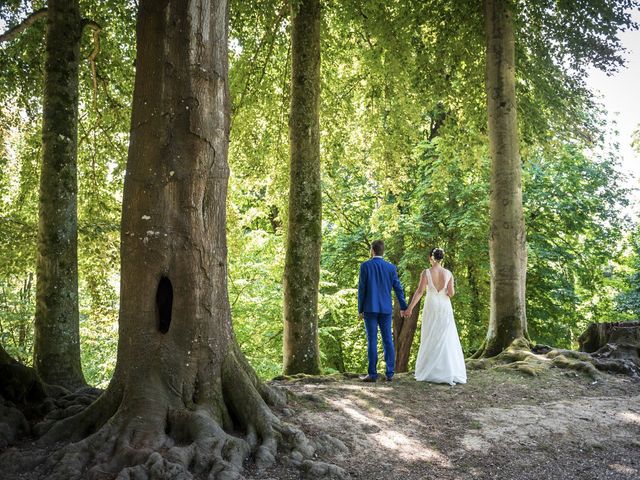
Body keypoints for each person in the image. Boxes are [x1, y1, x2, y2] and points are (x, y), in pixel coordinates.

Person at [405, 247, 467, 385]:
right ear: (441, 258)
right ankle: (447, 370)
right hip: (444, 306)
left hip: (432, 305)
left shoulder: (426, 273)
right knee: (446, 336)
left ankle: (431, 370)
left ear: (430, 258)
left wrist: (410, 308)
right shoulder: (448, 273)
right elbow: (451, 294)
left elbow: (420, 292)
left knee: (430, 335)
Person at [358, 240, 407, 382]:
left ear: (372, 250)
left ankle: (372, 374)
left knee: (372, 340)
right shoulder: (391, 268)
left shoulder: (365, 266)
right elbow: (398, 288)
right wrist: (403, 306)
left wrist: (360, 308)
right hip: (385, 309)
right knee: (388, 341)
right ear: (383, 251)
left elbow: (362, 289)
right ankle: (390, 373)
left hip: (370, 309)